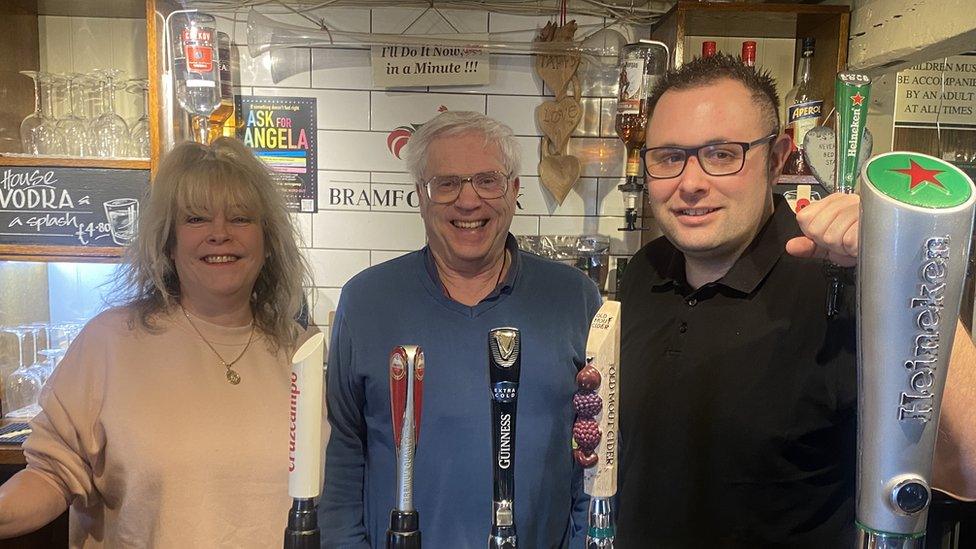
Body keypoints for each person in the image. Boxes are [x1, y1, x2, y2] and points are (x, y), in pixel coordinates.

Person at [616, 53, 976, 546]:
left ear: (779, 156)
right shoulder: (643, 273)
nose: (691, 182)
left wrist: (904, 273)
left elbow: (970, 467)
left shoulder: (844, 284)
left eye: (722, 154)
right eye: (668, 156)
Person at [0, 138, 315, 547]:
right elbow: (51, 474)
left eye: (240, 218)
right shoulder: (110, 343)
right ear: (168, 242)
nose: (220, 234)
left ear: (268, 242)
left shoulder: (304, 355)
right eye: (197, 219)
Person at [320, 111, 602, 548]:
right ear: (420, 195)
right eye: (445, 184)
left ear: (514, 189)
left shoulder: (574, 298)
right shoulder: (365, 301)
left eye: (487, 180)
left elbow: (594, 451)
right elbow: (345, 453)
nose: (468, 202)